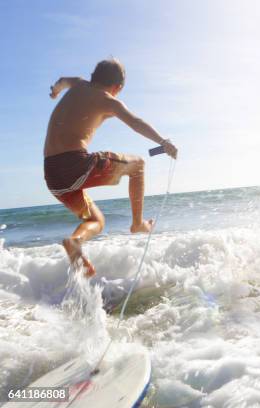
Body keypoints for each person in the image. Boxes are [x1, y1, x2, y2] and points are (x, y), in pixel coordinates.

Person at [44, 58, 178, 277]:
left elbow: (60, 81)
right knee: (138, 165)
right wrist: (163, 142)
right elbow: (136, 122)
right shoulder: (107, 99)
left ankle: (75, 242)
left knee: (96, 220)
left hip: (53, 178)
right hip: (75, 165)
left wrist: (55, 91)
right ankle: (137, 224)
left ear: (93, 75)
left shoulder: (78, 84)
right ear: (118, 88)